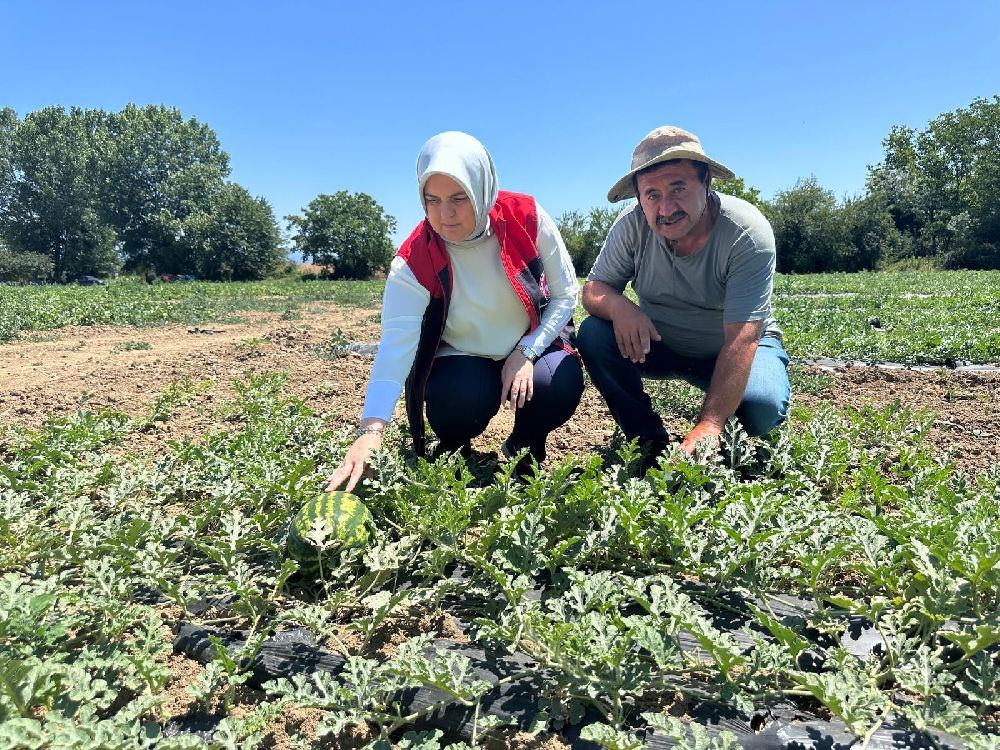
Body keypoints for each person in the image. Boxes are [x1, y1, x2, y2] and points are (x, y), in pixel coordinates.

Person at [326, 131, 584, 492]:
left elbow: (565, 295)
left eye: (459, 199)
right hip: (463, 354)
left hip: (528, 344)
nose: (444, 215)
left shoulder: (527, 217)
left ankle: (525, 446)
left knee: (556, 383)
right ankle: (454, 448)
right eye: (432, 200)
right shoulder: (413, 258)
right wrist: (371, 429)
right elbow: (395, 345)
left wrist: (527, 350)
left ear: (482, 189)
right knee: (457, 400)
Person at [576, 125, 790, 471]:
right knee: (594, 334)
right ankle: (647, 441)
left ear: (706, 182)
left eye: (678, 188)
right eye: (652, 195)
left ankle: (714, 431)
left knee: (761, 406)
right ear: (638, 197)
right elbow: (593, 288)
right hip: (660, 345)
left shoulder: (746, 232)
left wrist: (711, 422)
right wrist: (621, 307)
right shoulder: (631, 227)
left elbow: (743, 334)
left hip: (730, 346)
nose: (666, 208)